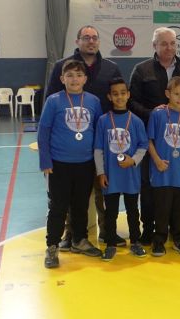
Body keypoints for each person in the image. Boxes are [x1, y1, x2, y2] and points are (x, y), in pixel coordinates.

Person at [45, 25, 126, 249]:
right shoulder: (62, 66)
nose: (91, 41)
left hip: (101, 140)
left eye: (94, 38)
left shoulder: (112, 68)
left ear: (99, 41)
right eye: (86, 38)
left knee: (103, 187)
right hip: (68, 143)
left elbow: (118, 100)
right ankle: (71, 234)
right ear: (78, 41)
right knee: (70, 195)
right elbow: (51, 98)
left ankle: (107, 230)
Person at [129, 27, 180, 245]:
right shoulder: (141, 70)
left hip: (176, 139)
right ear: (154, 46)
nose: (169, 47)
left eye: (172, 43)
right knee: (149, 187)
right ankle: (150, 230)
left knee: (176, 188)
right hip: (150, 139)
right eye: (164, 43)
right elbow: (132, 102)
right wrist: (155, 115)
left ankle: (176, 230)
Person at [39, 60, 103, 269]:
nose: (74, 79)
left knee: (80, 205)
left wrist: (97, 164)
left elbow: (98, 133)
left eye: (78, 75)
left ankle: (79, 240)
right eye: (70, 75)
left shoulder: (93, 101)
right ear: (62, 79)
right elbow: (43, 131)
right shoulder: (54, 101)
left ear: (85, 79)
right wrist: (45, 161)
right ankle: (52, 246)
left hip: (85, 164)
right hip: (58, 164)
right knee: (57, 207)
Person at [94, 78, 149, 261]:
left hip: (130, 175)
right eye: (115, 94)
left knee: (133, 211)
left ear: (128, 95)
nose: (119, 97)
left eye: (122, 93)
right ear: (110, 97)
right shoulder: (103, 121)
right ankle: (110, 244)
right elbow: (98, 149)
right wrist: (101, 172)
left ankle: (135, 242)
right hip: (111, 176)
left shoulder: (136, 121)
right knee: (111, 212)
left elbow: (143, 146)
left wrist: (133, 160)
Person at [147, 77, 180, 257]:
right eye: (176, 94)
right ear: (168, 94)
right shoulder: (158, 114)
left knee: (179, 208)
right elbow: (149, 141)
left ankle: (179, 238)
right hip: (162, 171)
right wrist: (157, 161)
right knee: (161, 207)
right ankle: (159, 240)